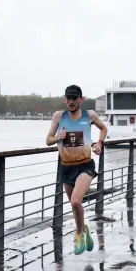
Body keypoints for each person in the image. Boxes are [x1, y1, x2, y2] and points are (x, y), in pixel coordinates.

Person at [46, 85, 107, 255]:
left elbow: (104, 128)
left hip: (85, 165)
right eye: (69, 99)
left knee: (75, 201)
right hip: (66, 167)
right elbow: (48, 140)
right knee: (75, 206)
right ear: (64, 99)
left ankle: (79, 234)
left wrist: (99, 143)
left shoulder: (90, 115)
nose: (71, 102)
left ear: (81, 99)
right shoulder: (59, 116)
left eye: (75, 98)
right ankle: (84, 229)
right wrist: (59, 137)